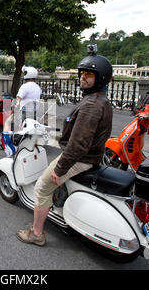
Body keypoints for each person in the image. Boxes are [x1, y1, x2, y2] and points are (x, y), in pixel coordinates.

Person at [16, 47, 113, 246]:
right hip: (91, 156)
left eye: (89, 74)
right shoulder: (100, 100)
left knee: (42, 188)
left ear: (100, 78)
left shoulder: (91, 106)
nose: (83, 78)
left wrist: (60, 169)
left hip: (80, 159)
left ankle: (36, 233)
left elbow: (78, 144)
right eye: (82, 73)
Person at [0, 66, 42, 151]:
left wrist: (13, 107)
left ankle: (5, 144)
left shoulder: (24, 87)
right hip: (34, 112)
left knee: (8, 122)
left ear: (27, 75)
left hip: (24, 112)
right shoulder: (38, 87)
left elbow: (18, 100)